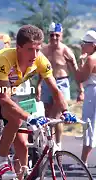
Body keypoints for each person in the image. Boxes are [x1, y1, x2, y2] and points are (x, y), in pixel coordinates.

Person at [0, 24, 78, 180]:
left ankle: (21, 176)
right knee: (16, 120)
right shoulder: (4, 59)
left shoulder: (40, 60)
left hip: (8, 92)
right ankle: (1, 161)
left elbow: (56, 91)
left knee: (22, 141)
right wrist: (30, 118)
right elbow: (3, 99)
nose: (35, 54)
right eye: (30, 49)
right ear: (18, 48)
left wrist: (66, 111)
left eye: (38, 49)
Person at [36, 22, 84, 150]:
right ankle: (49, 144)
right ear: (48, 36)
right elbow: (42, 69)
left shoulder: (65, 50)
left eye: (57, 35)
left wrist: (81, 89)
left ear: (61, 35)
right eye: (52, 35)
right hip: (47, 83)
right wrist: (38, 86)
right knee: (47, 115)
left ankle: (58, 144)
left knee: (56, 116)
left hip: (62, 83)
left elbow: (75, 71)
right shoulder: (44, 50)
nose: (54, 38)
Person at [70, 30, 96, 167]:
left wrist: (78, 63)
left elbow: (80, 77)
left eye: (85, 43)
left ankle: (83, 161)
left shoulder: (91, 59)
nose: (82, 46)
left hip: (92, 92)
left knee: (89, 125)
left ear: (92, 45)